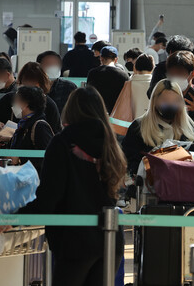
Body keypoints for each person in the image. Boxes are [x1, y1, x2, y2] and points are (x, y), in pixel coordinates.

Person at [20, 86, 126, 285]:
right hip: (111, 240)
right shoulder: (111, 143)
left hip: (74, 242)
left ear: (70, 110)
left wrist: (14, 217)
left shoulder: (62, 143)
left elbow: (48, 199)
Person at [122, 79, 194, 175]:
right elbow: (129, 160)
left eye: (175, 101)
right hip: (150, 185)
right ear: (155, 101)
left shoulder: (187, 127)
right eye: (165, 100)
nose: (170, 105)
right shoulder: (139, 126)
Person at [0, 62, 62, 134]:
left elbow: (56, 134)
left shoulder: (49, 105)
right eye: (25, 85)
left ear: (41, 86)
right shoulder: (8, 100)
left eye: (33, 86)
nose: (29, 91)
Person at [8, 86, 55, 172]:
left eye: (16, 100)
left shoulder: (40, 126)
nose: (14, 104)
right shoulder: (24, 124)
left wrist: (20, 159)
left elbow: (50, 157)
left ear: (25, 104)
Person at [86, 46, 129, 113]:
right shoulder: (123, 75)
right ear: (116, 59)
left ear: (101, 58)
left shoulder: (93, 73)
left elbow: (88, 94)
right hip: (116, 115)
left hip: (96, 113)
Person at [128, 54, 154, 119]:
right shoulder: (156, 84)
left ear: (135, 67)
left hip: (131, 124)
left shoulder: (129, 84)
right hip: (151, 123)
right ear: (152, 68)